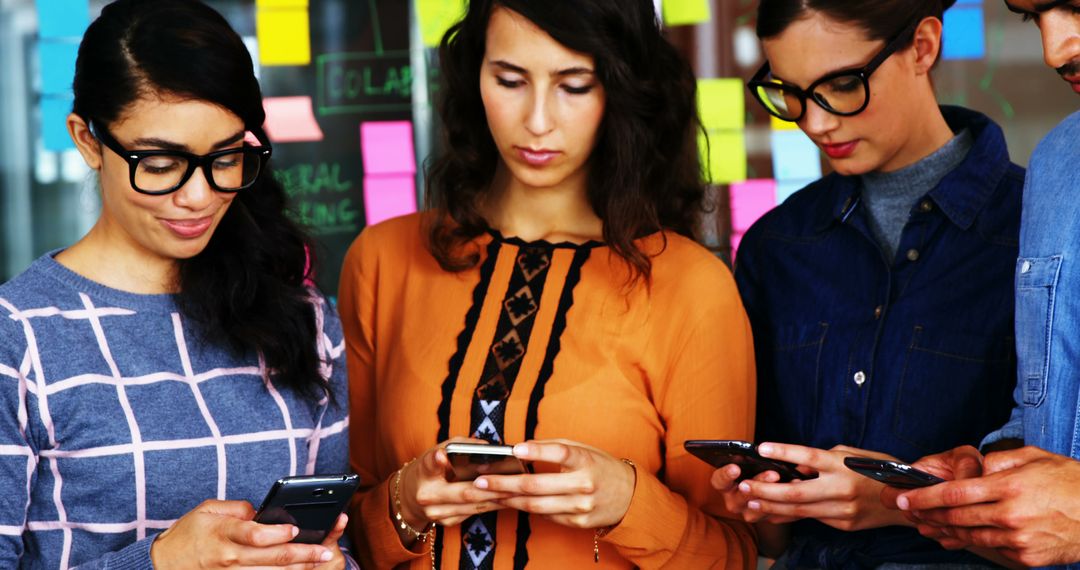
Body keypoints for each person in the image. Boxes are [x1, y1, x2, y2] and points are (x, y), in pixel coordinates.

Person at [338, 0, 756, 567]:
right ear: (474, 77)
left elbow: (735, 554)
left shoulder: (691, 287)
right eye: (509, 80)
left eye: (575, 86)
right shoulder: (383, 261)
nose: (537, 120)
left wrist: (629, 504)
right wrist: (403, 503)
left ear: (622, 89)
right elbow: (340, 537)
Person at [0, 0, 351, 567]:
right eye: (161, 163)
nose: (199, 196)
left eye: (226, 157)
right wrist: (162, 561)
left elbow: (337, 543)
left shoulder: (302, 319)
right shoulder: (17, 337)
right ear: (87, 140)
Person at [709, 0, 1024, 566]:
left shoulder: (1036, 235)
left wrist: (890, 501)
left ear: (923, 47)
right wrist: (760, 501)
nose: (815, 122)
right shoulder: (776, 248)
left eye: (841, 85)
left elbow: (1058, 515)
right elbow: (769, 537)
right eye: (791, 93)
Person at [885, 3, 1080, 567]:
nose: (1055, 49)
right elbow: (1049, 407)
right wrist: (993, 468)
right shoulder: (1058, 165)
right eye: (1030, 18)